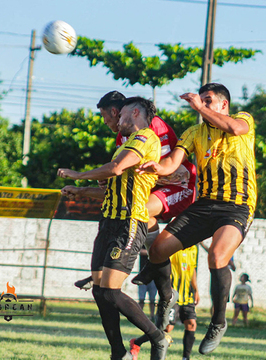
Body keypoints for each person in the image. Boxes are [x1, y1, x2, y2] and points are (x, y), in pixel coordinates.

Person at [133, 83, 257, 355]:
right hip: (204, 205)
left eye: (208, 101)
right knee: (157, 250)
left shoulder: (243, 120)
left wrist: (200, 108)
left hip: (237, 206)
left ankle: (218, 322)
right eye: (200, 101)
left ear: (224, 105)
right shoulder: (193, 133)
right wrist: (158, 167)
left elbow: (235, 129)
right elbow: (172, 163)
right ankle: (167, 298)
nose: (201, 105)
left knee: (216, 257)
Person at [57, 96, 169, 360]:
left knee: (110, 290)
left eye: (122, 115)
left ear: (136, 113)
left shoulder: (145, 138)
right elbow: (108, 189)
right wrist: (81, 191)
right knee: (99, 290)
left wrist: (78, 174)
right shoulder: (124, 145)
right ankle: (117, 352)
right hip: (108, 223)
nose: (117, 120)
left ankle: (157, 337)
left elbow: (116, 169)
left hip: (129, 222)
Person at [73, 91, 196, 322]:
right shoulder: (124, 135)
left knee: (137, 209)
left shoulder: (153, 127)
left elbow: (170, 169)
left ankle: (156, 275)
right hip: (154, 189)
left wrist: (98, 174)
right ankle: (112, 266)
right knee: (127, 209)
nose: (107, 122)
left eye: (105, 116)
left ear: (115, 111)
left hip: (180, 187)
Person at [129, 245, 200, 360]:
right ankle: (137, 342)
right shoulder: (173, 246)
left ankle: (186, 358)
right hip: (172, 295)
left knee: (191, 324)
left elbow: (192, 270)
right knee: (166, 328)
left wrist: (196, 289)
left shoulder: (193, 249)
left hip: (187, 295)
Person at [137, 246, 158, 321]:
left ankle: (152, 316)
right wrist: (150, 252)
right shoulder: (143, 242)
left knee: (152, 299)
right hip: (142, 276)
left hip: (153, 276)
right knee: (141, 299)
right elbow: (140, 251)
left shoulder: (156, 241)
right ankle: (139, 315)